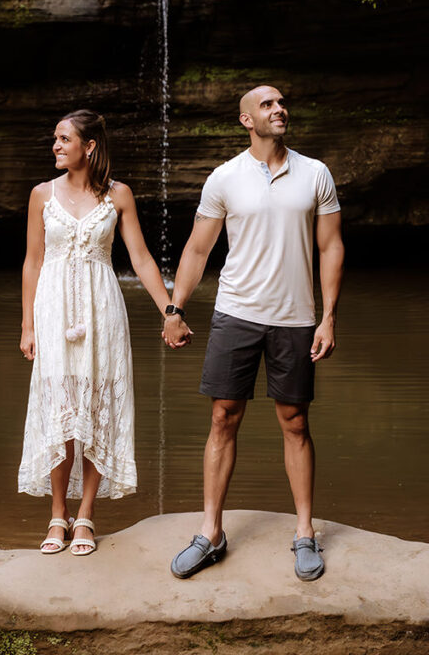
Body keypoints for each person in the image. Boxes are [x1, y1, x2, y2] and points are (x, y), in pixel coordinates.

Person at [163, 85, 344, 581]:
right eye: (266, 105)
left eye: (281, 102)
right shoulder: (225, 177)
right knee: (223, 417)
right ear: (246, 120)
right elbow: (198, 250)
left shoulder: (315, 174)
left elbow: (330, 247)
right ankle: (211, 534)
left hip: (295, 317)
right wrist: (174, 309)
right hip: (236, 313)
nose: (279, 108)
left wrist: (328, 317)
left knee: (295, 423)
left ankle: (305, 534)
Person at [19, 109, 173, 556]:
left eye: (64, 138)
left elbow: (142, 259)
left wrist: (170, 310)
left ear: (89, 146)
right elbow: (32, 262)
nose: (55, 146)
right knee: (59, 408)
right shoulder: (41, 195)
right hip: (52, 311)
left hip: (102, 309)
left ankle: (85, 514)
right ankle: (56, 514)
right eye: (55, 138)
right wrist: (27, 324)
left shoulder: (119, 195)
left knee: (96, 408)